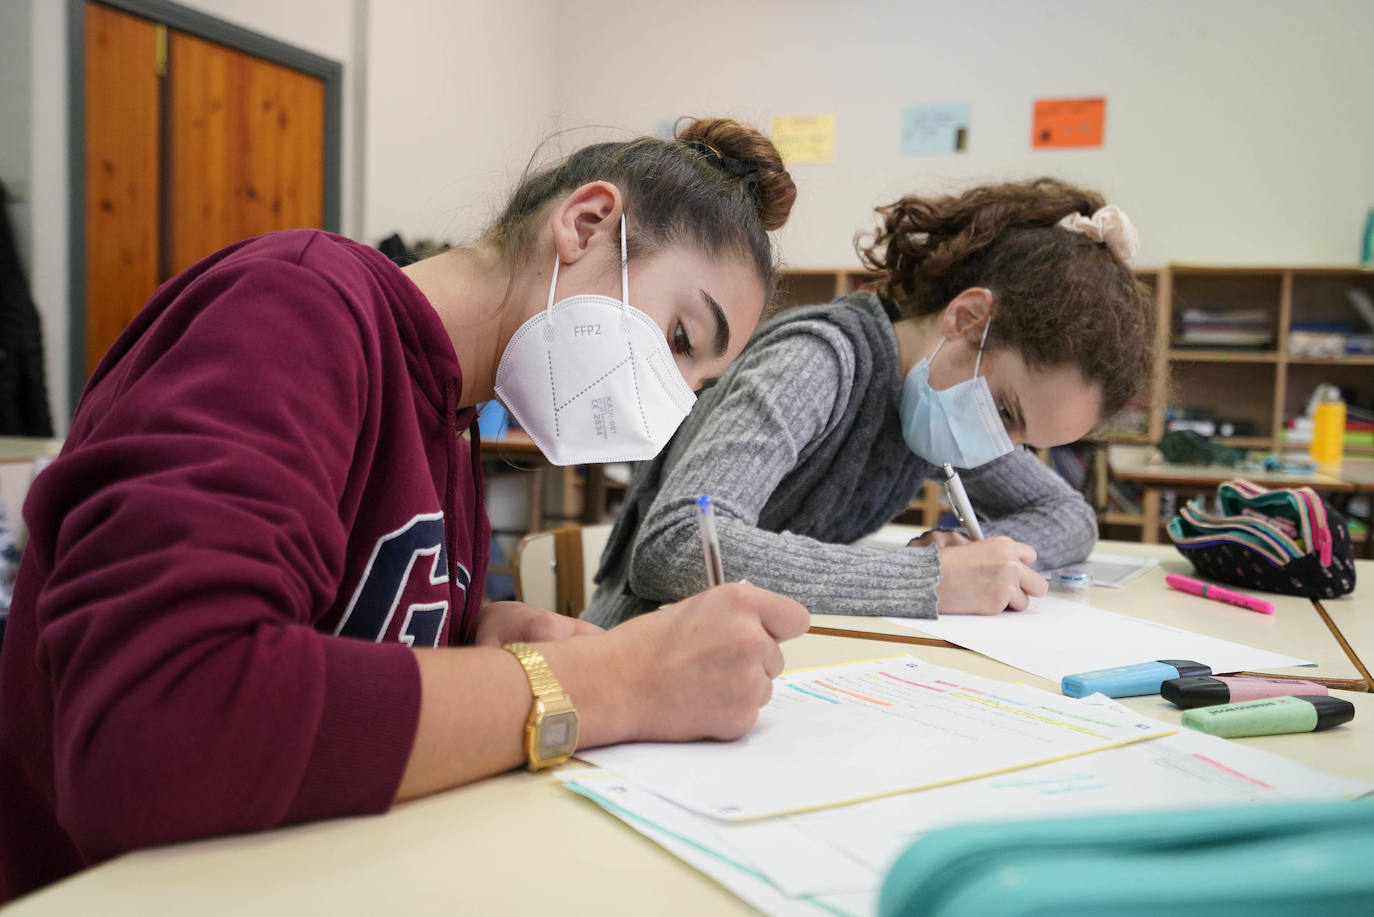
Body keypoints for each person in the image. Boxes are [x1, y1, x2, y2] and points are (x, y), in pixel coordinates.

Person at [0, 118, 807, 901]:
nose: (670, 400)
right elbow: (156, 729)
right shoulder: (295, 307)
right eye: (676, 337)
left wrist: (475, 640)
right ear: (587, 223)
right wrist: (612, 681)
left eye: (695, 386)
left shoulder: (451, 427)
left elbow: (340, 658)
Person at [584, 178, 1156, 627]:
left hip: (753, 650)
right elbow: (676, 548)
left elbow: (1069, 517)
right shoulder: (820, 361)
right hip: (638, 649)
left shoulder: (941, 400)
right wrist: (926, 578)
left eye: (1021, 441)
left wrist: (990, 560)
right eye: (1004, 413)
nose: (999, 446)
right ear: (967, 319)